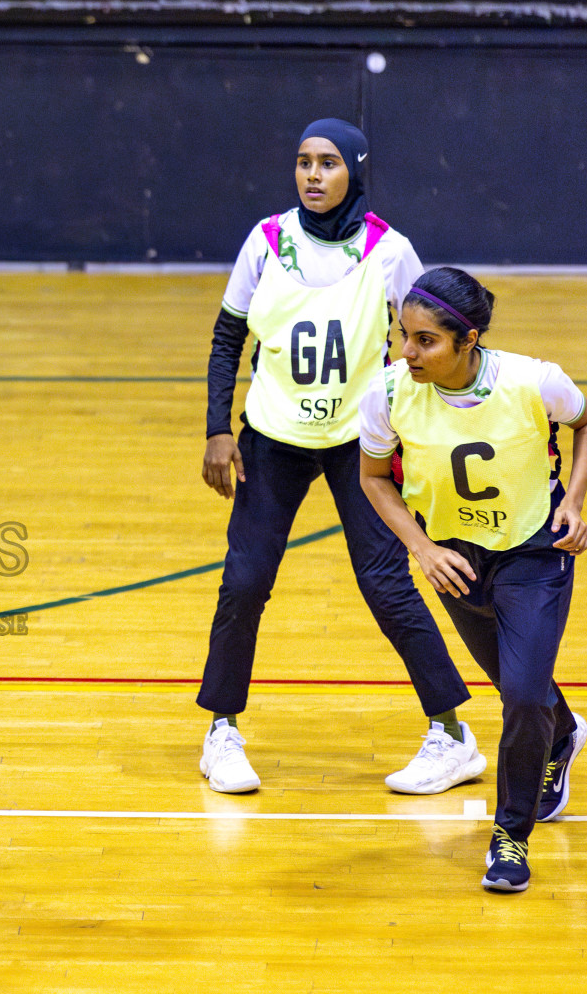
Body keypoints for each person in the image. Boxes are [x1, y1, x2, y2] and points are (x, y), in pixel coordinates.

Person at [198, 118, 476, 795]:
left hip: (360, 439)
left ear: (354, 169)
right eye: (302, 162)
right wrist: (216, 429)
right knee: (244, 581)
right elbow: (227, 337)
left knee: (386, 584)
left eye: (327, 163)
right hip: (271, 435)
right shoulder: (266, 242)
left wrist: (426, 434)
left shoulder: (390, 251)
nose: (313, 175)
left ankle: (452, 734)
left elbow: (426, 342)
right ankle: (222, 730)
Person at [359, 267, 587, 892]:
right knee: (521, 688)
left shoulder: (531, 379)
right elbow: (374, 478)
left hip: (532, 551)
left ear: (467, 341)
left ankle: (510, 838)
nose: (406, 351)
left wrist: (572, 502)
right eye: (402, 336)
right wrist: (421, 548)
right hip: (456, 560)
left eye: (425, 341)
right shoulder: (388, 392)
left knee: (522, 695)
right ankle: (563, 732)